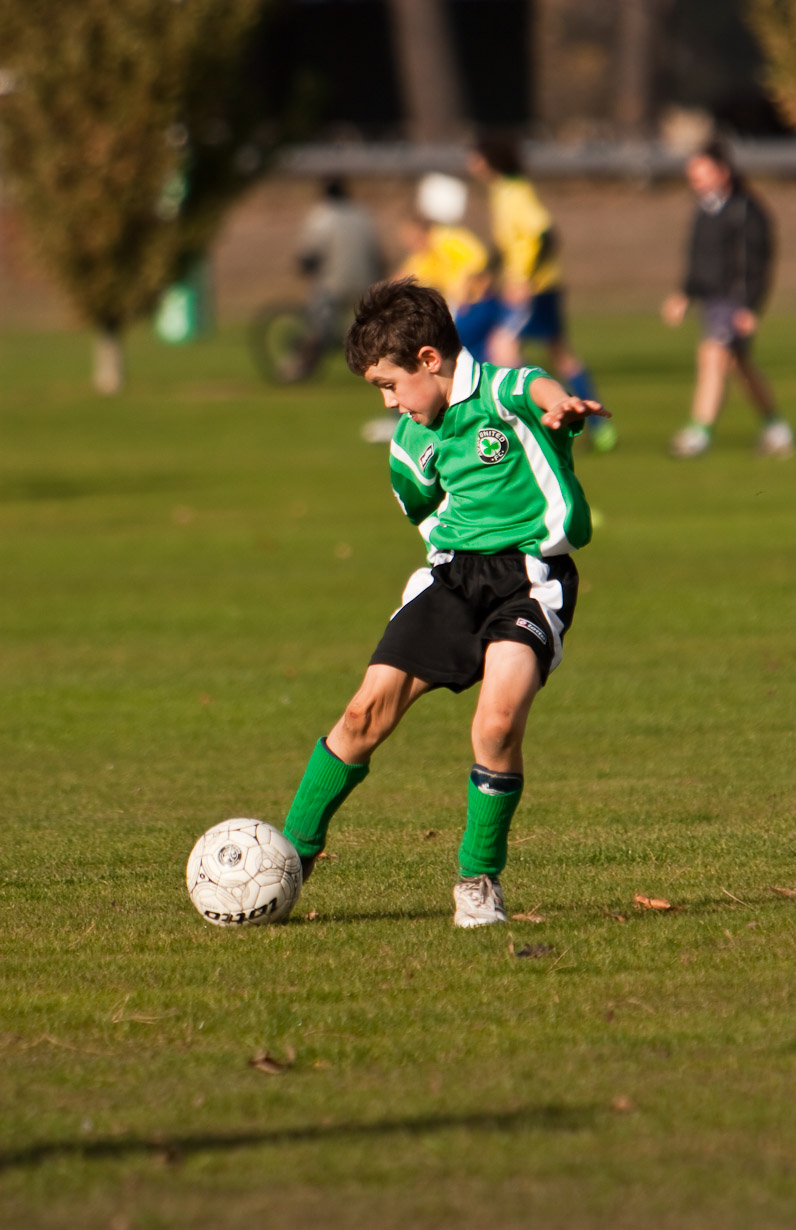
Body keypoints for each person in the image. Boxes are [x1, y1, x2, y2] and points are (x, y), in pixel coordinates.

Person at [281, 277, 610, 927]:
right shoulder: (410, 442)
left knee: (497, 724)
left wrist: (562, 408)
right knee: (362, 714)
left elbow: (538, 386)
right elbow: (422, 508)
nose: (389, 401)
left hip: (528, 580)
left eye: (390, 384)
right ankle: (290, 857)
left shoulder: (500, 391)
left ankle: (478, 879)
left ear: (429, 359)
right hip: (453, 579)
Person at [467, 137, 616, 454]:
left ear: (488, 160)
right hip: (543, 285)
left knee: (502, 348)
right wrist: (487, 272)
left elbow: (546, 236)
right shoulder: (502, 191)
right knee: (561, 355)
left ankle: (535, 427)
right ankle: (599, 426)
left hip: (534, 289)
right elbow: (511, 242)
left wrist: (525, 279)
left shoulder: (515, 192)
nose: (471, 164)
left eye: (475, 157)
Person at [662, 140, 795, 459]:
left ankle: (699, 431)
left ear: (722, 172)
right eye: (693, 175)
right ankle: (776, 426)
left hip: (734, 301)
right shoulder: (705, 209)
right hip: (711, 300)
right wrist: (685, 294)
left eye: (703, 174)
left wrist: (750, 307)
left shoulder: (745, 209)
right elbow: (698, 258)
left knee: (712, 355)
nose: (696, 181)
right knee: (738, 365)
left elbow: (757, 263)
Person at [362, 173, 502, 443]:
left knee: (446, 361)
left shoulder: (446, 239)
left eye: (409, 236)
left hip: (476, 309)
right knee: (460, 362)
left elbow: (478, 263)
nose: (408, 242)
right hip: (461, 313)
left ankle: (477, 413)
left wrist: (466, 294)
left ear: (420, 230)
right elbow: (404, 278)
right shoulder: (426, 254)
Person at [295, 177, 384, 369]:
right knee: (359, 323)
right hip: (364, 281)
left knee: (316, 325)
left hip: (332, 283)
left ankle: (301, 365)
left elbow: (310, 252)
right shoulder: (361, 214)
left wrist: (305, 266)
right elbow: (375, 252)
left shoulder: (322, 215)